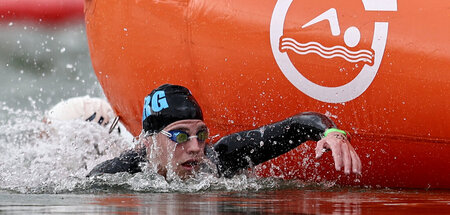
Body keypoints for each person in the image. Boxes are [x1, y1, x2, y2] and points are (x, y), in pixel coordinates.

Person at [87, 84, 361, 178]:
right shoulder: (118, 173)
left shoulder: (219, 156)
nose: (195, 147)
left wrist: (331, 133)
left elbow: (299, 125)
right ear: (149, 143)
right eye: (180, 136)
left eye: (201, 134)